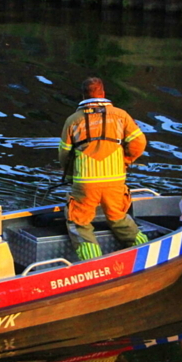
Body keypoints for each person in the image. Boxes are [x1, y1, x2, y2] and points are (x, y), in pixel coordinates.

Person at [58, 77, 149, 261]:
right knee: (119, 218)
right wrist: (126, 160)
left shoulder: (73, 120)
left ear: (83, 95)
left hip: (85, 182)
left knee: (80, 223)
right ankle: (145, 251)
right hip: (115, 179)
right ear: (103, 93)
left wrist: (70, 176)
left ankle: (92, 262)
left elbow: (64, 154)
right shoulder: (121, 115)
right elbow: (139, 142)